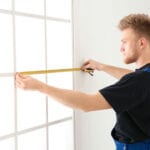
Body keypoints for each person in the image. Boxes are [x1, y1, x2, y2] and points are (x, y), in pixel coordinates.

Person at [15, 13, 150, 150]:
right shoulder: (142, 78)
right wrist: (101, 67)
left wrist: (40, 87)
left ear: (141, 43)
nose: (121, 48)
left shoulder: (138, 81)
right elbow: (135, 79)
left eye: (124, 42)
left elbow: (87, 103)